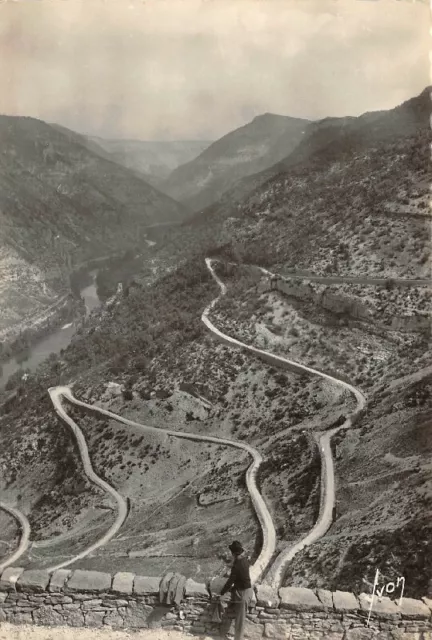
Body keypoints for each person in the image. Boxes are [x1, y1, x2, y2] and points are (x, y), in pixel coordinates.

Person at [217, 540, 253, 640]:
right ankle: (219, 626)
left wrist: (222, 592)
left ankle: (238, 638)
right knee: (222, 601)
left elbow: (230, 581)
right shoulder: (243, 560)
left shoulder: (238, 565)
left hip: (244, 592)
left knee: (240, 620)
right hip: (238, 589)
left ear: (234, 553)